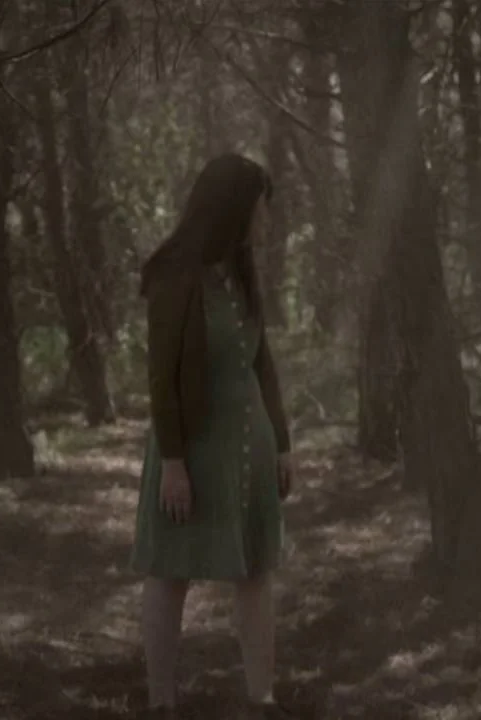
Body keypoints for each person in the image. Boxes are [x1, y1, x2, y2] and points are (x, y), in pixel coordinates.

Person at [129, 153, 296, 719]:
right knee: (170, 569)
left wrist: (283, 442)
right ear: (233, 210)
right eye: (258, 210)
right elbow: (161, 376)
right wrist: (174, 463)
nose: (264, 221)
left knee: (254, 569)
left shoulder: (241, 273)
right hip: (192, 445)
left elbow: (261, 360)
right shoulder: (177, 276)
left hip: (247, 443)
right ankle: (161, 703)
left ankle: (261, 698)